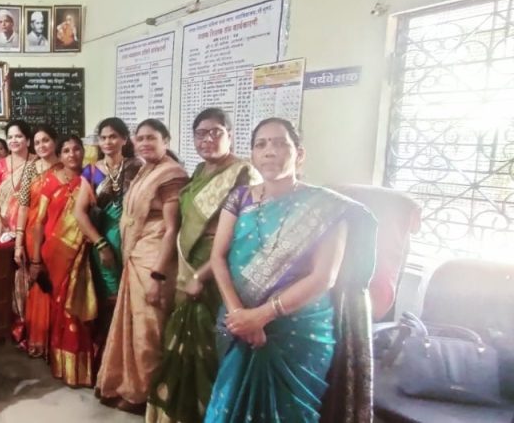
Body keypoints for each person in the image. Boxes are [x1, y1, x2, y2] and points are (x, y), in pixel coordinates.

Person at [204, 118, 375, 423]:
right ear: (253, 155)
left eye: (280, 143)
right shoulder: (239, 197)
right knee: (230, 405)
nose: (269, 151)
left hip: (297, 328)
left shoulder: (326, 207)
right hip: (237, 319)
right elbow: (218, 256)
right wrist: (239, 314)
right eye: (261, 144)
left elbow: (324, 277)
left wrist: (262, 315)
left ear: (300, 153)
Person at [146, 109, 259, 423]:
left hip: (218, 272)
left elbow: (242, 237)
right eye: (200, 133)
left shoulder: (244, 174)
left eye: (215, 132)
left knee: (211, 347)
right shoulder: (198, 171)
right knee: (181, 343)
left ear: (230, 135)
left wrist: (203, 274)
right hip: (187, 265)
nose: (207, 139)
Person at [95, 119, 188, 414]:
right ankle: (128, 385)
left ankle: (148, 394)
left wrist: (158, 274)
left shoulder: (171, 175)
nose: (145, 143)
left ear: (166, 141)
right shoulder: (145, 170)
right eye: (141, 138)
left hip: (155, 259)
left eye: (152, 138)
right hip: (137, 253)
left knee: (149, 331)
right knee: (133, 326)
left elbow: (172, 229)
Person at [26, 135, 96, 387]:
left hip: (85, 252)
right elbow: (39, 223)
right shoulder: (50, 182)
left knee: (80, 308)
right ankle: (61, 363)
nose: (72, 154)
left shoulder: (92, 176)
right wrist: (36, 260)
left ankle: (81, 366)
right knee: (61, 308)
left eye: (77, 149)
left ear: (83, 151)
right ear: (60, 154)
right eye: (66, 150)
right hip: (56, 252)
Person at [72, 117, 141, 359]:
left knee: (134, 299)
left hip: (135, 244)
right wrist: (101, 244)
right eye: (103, 137)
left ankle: (131, 356)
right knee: (111, 300)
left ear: (124, 139)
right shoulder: (92, 172)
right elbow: (79, 213)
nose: (108, 142)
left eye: (113, 136)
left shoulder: (137, 167)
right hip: (105, 244)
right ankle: (110, 357)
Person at [13, 126, 61, 356]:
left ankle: (58, 340)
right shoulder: (31, 168)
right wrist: (18, 241)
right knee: (38, 282)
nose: (42, 146)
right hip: (34, 233)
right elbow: (23, 206)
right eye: (38, 142)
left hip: (59, 233)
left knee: (58, 283)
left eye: (46, 140)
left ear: (55, 141)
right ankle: (39, 337)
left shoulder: (65, 167)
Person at [0, 120, 35, 243]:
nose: (13, 140)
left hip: (30, 223)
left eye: (18, 136)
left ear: (28, 140)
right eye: (10, 137)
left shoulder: (37, 163)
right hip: (4, 224)